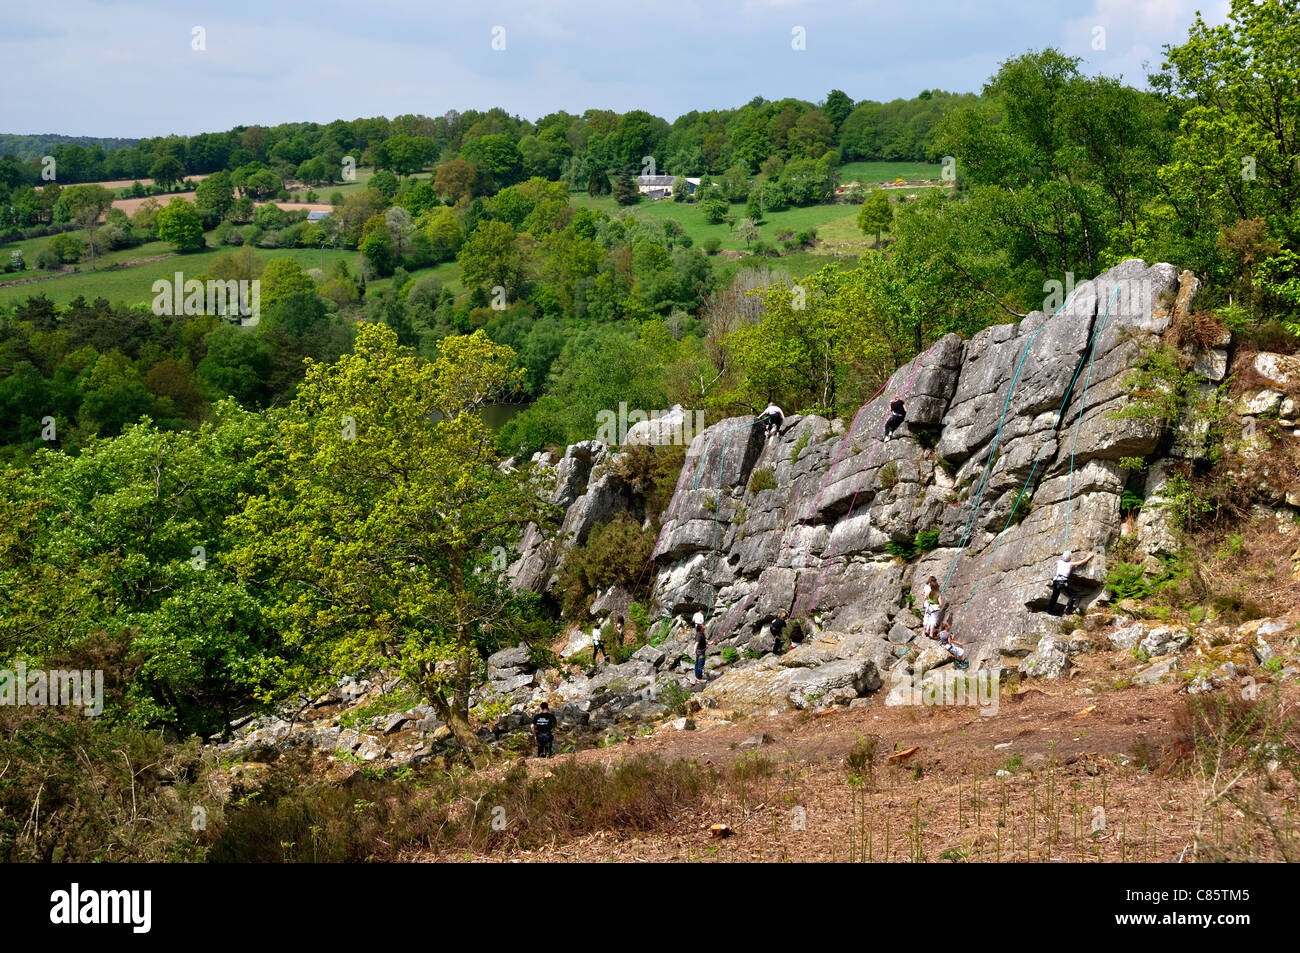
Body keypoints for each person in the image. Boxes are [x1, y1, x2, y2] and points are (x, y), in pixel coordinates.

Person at [1048, 550, 1094, 615]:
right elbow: (1082, 562)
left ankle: (1049, 610)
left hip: (1056, 581)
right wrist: (1089, 556)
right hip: (1062, 582)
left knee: (1054, 597)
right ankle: (1067, 609)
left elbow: (1063, 559)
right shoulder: (1070, 564)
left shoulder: (1059, 562)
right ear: (1069, 558)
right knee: (1073, 595)